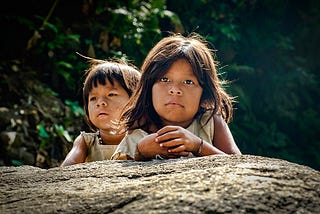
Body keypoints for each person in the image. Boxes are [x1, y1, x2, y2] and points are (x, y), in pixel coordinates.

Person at [111, 33, 241, 161]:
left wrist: (198, 146)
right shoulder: (139, 127)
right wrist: (140, 152)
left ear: (205, 94)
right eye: (165, 79)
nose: (175, 90)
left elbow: (238, 164)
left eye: (188, 82)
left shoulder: (210, 122)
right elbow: (115, 173)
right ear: (149, 87)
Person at [61, 58, 141, 166]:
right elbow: (67, 169)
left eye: (111, 94)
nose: (100, 102)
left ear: (135, 101)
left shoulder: (141, 138)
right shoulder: (86, 142)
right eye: (93, 98)